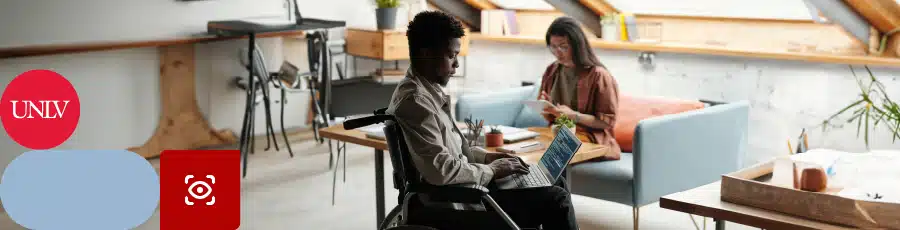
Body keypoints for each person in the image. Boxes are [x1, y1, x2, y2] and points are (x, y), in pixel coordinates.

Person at [386, 11, 579, 230]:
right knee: (556, 200)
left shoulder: (427, 92)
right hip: (456, 202)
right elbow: (441, 170)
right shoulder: (416, 103)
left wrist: (487, 157)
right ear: (426, 54)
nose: (456, 64)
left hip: (466, 189)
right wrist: (493, 170)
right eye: (451, 56)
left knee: (554, 181)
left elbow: (452, 153)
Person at [539, 16, 622, 161]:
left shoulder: (599, 75)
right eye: (553, 47)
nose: (558, 52)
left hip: (590, 137)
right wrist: (547, 109)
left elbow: (607, 122)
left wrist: (574, 115)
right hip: (557, 132)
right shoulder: (552, 70)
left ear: (577, 45)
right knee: (526, 142)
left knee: (554, 150)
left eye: (563, 47)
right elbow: (550, 117)